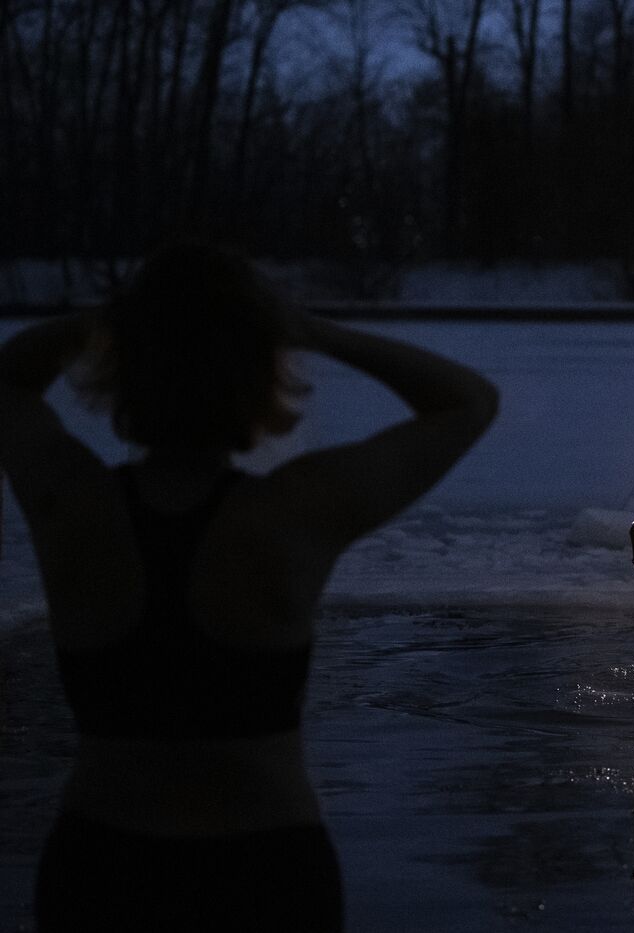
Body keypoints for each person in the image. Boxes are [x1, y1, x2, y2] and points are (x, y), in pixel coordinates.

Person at [0, 241, 498, 931]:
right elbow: (467, 401)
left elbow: (7, 382)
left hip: (103, 866)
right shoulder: (294, 513)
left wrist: (111, 321)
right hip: (264, 869)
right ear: (259, 370)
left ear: (124, 371)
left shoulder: (71, 504)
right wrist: (308, 328)